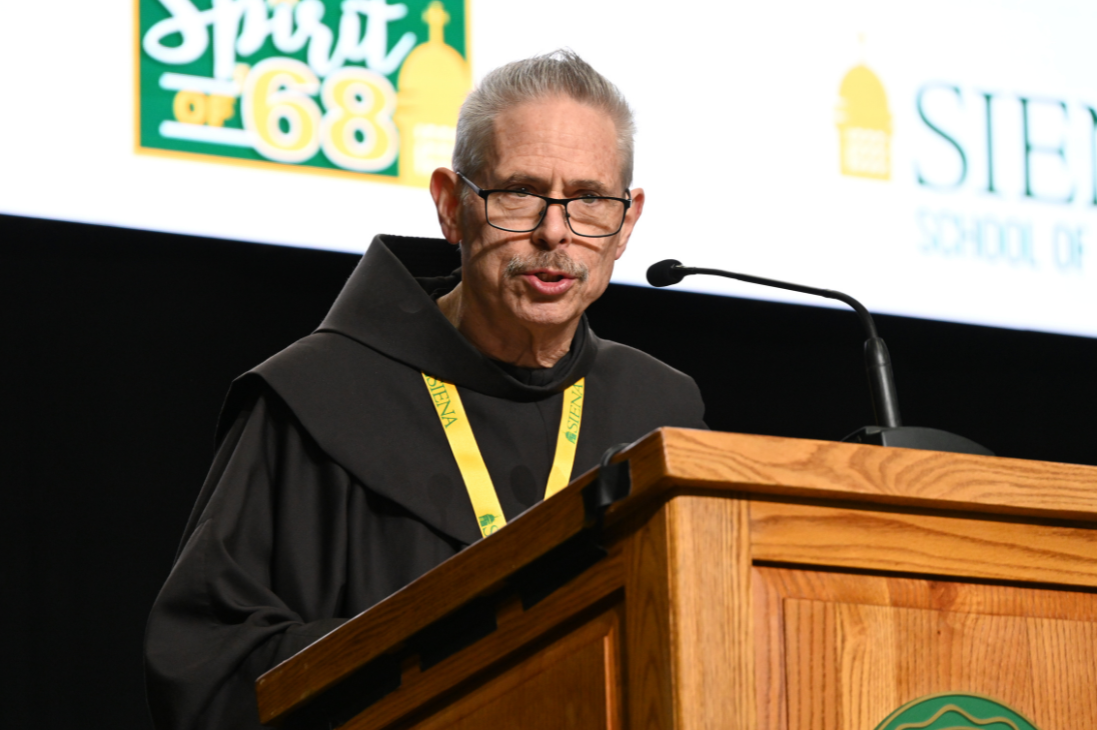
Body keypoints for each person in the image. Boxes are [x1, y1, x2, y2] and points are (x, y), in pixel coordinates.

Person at [144, 49, 707, 729]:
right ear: (450, 206)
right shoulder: (316, 399)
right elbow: (205, 664)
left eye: (589, 199)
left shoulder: (662, 414)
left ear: (627, 223)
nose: (554, 231)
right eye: (519, 192)